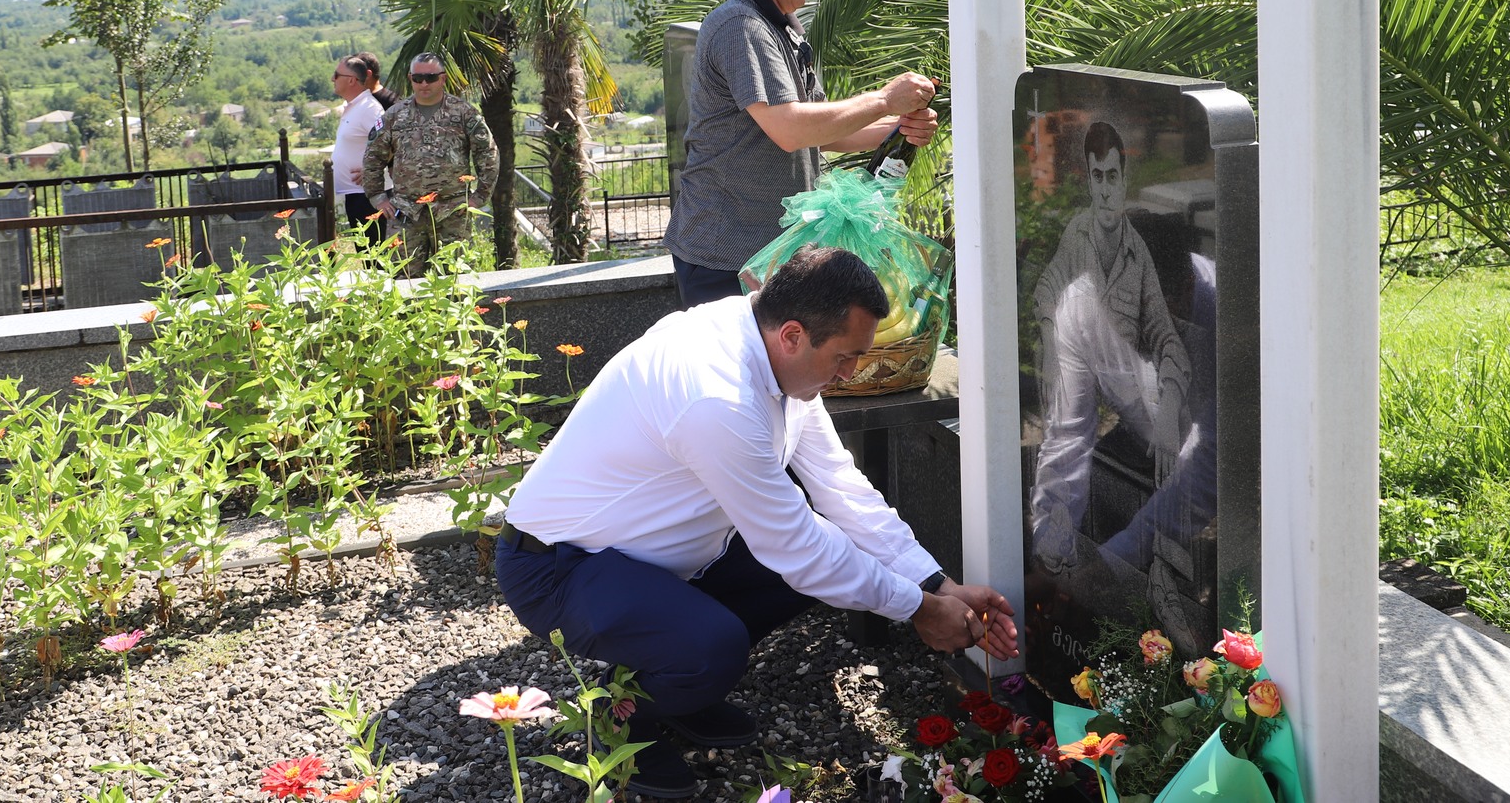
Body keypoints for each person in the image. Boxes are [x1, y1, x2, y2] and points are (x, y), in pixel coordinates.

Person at [496, 245, 1019, 799]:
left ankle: (678, 684)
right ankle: (625, 716)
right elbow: (797, 546)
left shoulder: (771, 347)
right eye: (845, 358)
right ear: (793, 334)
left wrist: (937, 585)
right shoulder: (715, 395)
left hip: (644, 552)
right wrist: (920, 610)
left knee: (818, 569)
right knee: (717, 645)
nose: (850, 374)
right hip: (558, 567)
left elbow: (840, 485)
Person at [664, 0, 939, 308]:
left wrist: (899, 130)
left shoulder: (784, 29)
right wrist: (885, 100)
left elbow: (821, 132)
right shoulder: (740, 24)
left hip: (774, 256)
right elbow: (790, 129)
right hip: (724, 260)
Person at [1026, 122, 1197, 627]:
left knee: (1175, 429)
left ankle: (1165, 577)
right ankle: (1053, 549)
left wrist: (1168, 406)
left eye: (1112, 177)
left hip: (1120, 366)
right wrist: (1051, 345)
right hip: (1077, 359)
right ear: (1089, 181)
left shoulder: (1135, 251)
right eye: (1096, 177)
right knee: (1067, 422)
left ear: (1125, 181)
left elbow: (1164, 335)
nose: (1105, 189)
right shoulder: (1078, 233)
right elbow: (1047, 290)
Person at [360, 52, 499, 275]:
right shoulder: (394, 116)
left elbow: (488, 154)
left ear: (443, 78)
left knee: (456, 281)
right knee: (404, 281)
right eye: (418, 78)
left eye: (431, 78)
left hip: (452, 213)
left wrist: (479, 197)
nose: (424, 83)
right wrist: (378, 197)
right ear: (410, 79)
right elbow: (373, 157)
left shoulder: (464, 113)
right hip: (406, 212)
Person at [330, 53, 392, 248]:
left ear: (351, 80)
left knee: (374, 256)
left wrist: (371, 170)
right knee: (366, 255)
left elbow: (393, 142)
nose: (332, 79)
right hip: (356, 195)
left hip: (368, 197)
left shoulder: (369, 109)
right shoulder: (356, 106)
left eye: (336, 75)